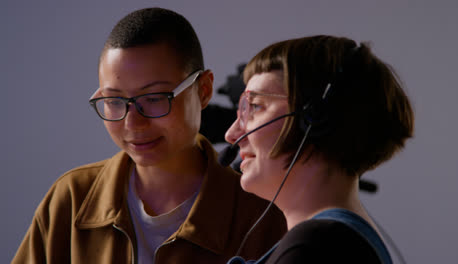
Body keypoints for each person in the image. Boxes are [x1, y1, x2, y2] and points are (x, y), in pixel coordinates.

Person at [12, 7, 286, 264]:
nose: (133, 123)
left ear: (203, 90)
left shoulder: (261, 213)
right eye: (114, 100)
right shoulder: (72, 198)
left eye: (155, 98)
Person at [224, 35, 414, 263]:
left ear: (315, 118)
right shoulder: (331, 242)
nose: (232, 135)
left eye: (255, 106)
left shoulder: (317, 246)